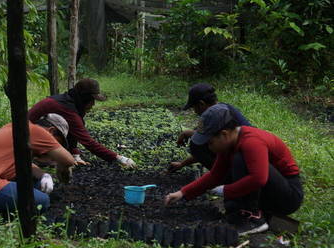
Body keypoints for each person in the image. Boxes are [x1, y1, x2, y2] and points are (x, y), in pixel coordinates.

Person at [164, 104, 303, 236]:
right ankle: (249, 213)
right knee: (237, 160)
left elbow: (259, 178)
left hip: (288, 196)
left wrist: (226, 190)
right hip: (268, 193)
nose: (209, 148)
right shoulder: (229, 145)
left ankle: (253, 219)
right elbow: (215, 176)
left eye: (210, 143)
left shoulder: (251, 142)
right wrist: (183, 192)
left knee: (239, 159)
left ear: (224, 134)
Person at [0, 114, 75, 213]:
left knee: (40, 185)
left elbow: (23, 164)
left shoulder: (18, 128)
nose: (55, 147)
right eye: (58, 142)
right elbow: (69, 160)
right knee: (42, 201)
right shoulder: (38, 132)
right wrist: (61, 165)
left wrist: (44, 175)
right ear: (52, 131)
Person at [28, 78, 136, 168]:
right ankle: (40, 158)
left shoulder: (69, 101)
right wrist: (120, 158)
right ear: (84, 98)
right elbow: (88, 142)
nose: (93, 104)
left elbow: (72, 130)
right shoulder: (66, 108)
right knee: (61, 159)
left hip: (34, 135)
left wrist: (75, 154)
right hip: (27, 139)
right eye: (91, 100)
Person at [168, 83, 251, 172]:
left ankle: (226, 176)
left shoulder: (214, 115)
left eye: (194, 108)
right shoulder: (222, 108)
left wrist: (183, 163)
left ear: (201, 104)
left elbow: (203, 148)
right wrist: (182, 164)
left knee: (196, 146)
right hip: (242, 153)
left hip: (245, 160)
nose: (195, 112)